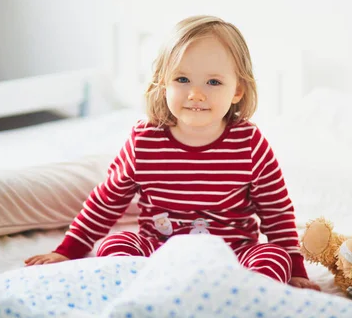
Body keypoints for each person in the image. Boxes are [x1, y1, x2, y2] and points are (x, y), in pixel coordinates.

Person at [25, 15, 320, 291]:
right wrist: (68, 250)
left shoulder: (249, 143)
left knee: (273, 258)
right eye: (182, 80)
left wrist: (296, 269)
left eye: (213, 82)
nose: (195, 93)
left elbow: (276, 210)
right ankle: (151, 297)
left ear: (237, 91)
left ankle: (235, 300)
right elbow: (107, 199)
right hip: (159, 253)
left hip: (234, 255)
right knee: (113, 247)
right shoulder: (145, 141)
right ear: (163, 82)